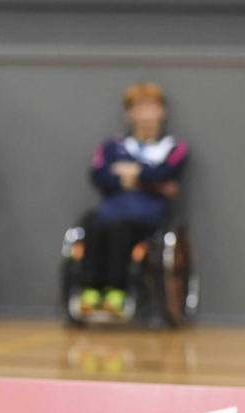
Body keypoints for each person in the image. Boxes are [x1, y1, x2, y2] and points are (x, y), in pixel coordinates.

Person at [81, 81, 187, 315]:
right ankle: (90, 290)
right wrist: (147, 181)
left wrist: (133, 172)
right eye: (139, 108)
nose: (146, 115)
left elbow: (166, 173)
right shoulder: (112, 146)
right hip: (112, 210)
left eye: (152, 108)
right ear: (129, 113)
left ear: (162, 111)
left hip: (146, 216)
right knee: (94, 225)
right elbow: (99, 176)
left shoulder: (173, 147)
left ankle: (117, 292)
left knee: (120, 230)